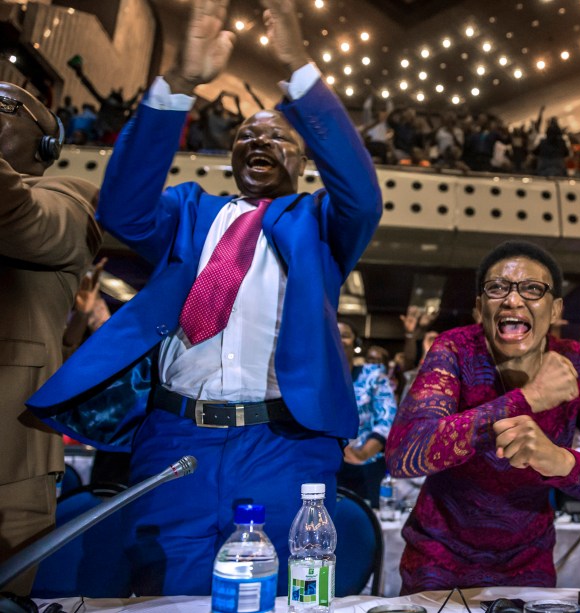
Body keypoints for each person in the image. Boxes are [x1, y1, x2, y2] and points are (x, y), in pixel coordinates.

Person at [28, 0, 381, 596]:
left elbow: (364, 197)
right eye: (247, 134)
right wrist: (182, 82)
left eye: (277, 135)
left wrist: (298, 68)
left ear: (301, 159)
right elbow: (122, 209)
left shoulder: (319, 224)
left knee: (277, 601)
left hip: (284, 445)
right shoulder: (190, 213)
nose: (259, 139)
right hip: (175, 435)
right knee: (168, 595)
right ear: (232, 154)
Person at [386, 240, 580, 593]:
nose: (512, 299)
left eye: (532, 289)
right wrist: (528, 399)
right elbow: (404, 454)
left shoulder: (577, 362)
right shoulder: (455, 349)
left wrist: (559, 460)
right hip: (438, 561)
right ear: (480, 308)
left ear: (555, 310)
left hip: (529, 566)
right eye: (497, 288)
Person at [0, 82, 101, 595]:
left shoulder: (68, 200)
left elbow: (14, 215)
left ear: (46, 146)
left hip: (7, 468)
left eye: (3, 105)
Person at [337, 322, 398, 507]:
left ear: (355, 342)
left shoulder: (373, 375)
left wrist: (362, 454)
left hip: (367, 464)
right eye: (333, 332)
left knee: (366, 522)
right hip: (328, 464)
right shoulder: (317, 376)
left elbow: (387, 417)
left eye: (345, 334)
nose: (339, 338)